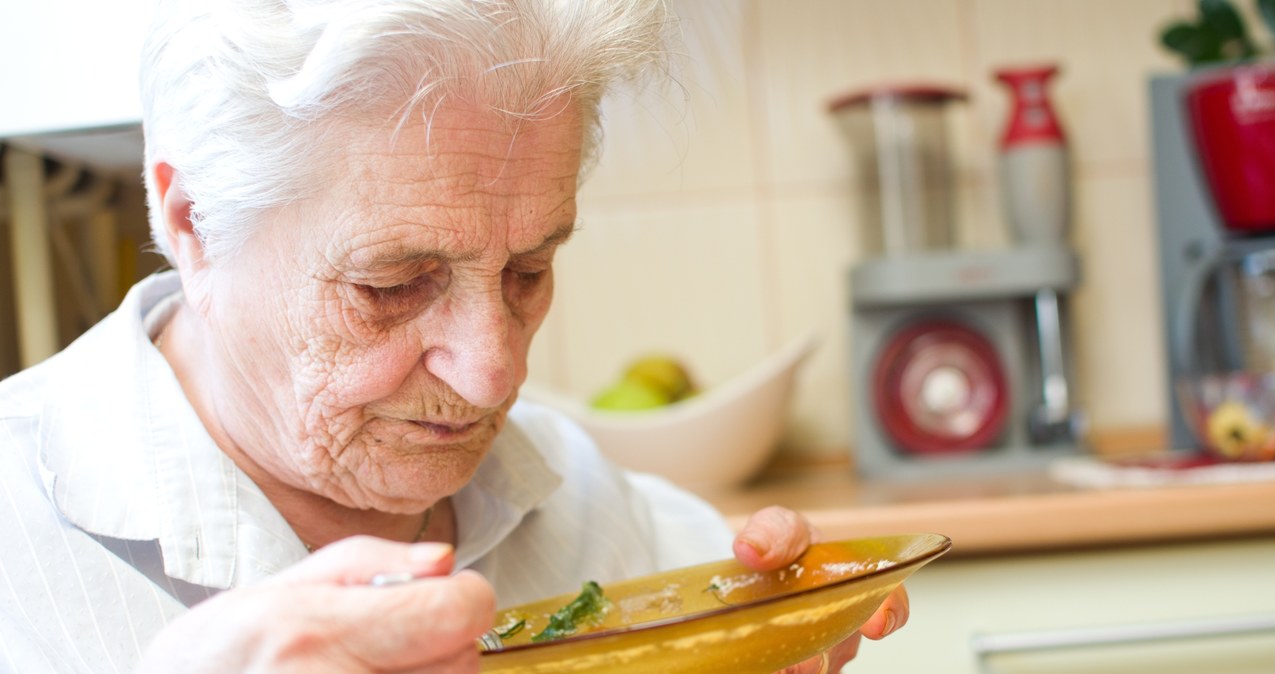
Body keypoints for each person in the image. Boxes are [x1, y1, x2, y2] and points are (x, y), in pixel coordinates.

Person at [0, 0, 908, 672]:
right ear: (194, 221)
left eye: (528, 272)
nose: (494, 372)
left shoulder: (589, 505)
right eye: (390, 286)